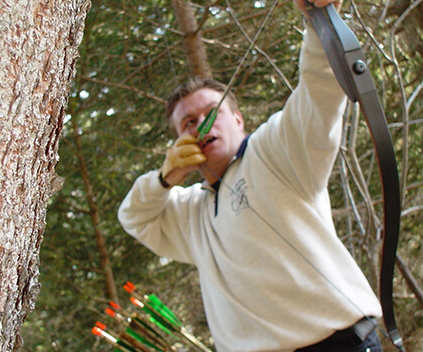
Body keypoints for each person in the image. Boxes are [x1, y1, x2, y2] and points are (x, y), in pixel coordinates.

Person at [118, 0, 385, 351]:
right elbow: (133, 217)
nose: (202, 125)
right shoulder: (190, 212)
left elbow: (319, 90)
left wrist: (317, 20)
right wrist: (164, 179)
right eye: (189, 123)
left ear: (239, 119)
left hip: (340, 343)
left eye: (212, 113)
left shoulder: (276, 148)